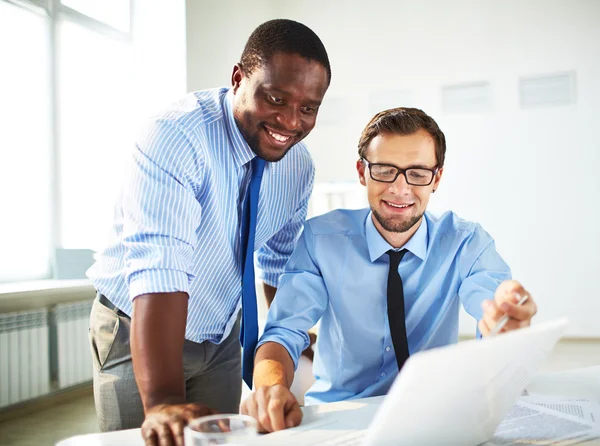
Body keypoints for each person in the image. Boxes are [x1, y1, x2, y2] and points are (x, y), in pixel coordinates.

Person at [86, 19, 331, 445]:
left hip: (221, 336)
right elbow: (159, 267)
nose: (290, 122)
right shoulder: (176, 136)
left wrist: (289, 338)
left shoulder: (298, 166)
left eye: (308, 108)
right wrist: (162, 400)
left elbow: (278, 263)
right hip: (138, 329)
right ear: (238, 78)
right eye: (276, 99)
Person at [240, 107, 538, 432]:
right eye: (384, 170)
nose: (400, 189)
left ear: (436, 178)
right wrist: (269, 388)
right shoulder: (320, 240)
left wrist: (506, 322)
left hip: (434, 416)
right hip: (340, 415)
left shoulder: (465, 243)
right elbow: (283, 331)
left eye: (418, 173)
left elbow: (492, 313)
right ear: (361, 172)